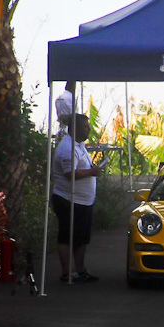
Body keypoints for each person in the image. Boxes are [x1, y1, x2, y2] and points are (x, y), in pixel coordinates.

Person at [52, 113, 101, 284]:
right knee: (67, 236)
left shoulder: (79, 145)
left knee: (81, 238)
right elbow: (70, 174)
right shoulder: (68, 148)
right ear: (75, 128)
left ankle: (80, 271)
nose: (88, 129)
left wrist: (91, 169)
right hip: (68, 199)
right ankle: (66, 273)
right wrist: (92, 172)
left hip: (83, 201)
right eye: (85, 127)